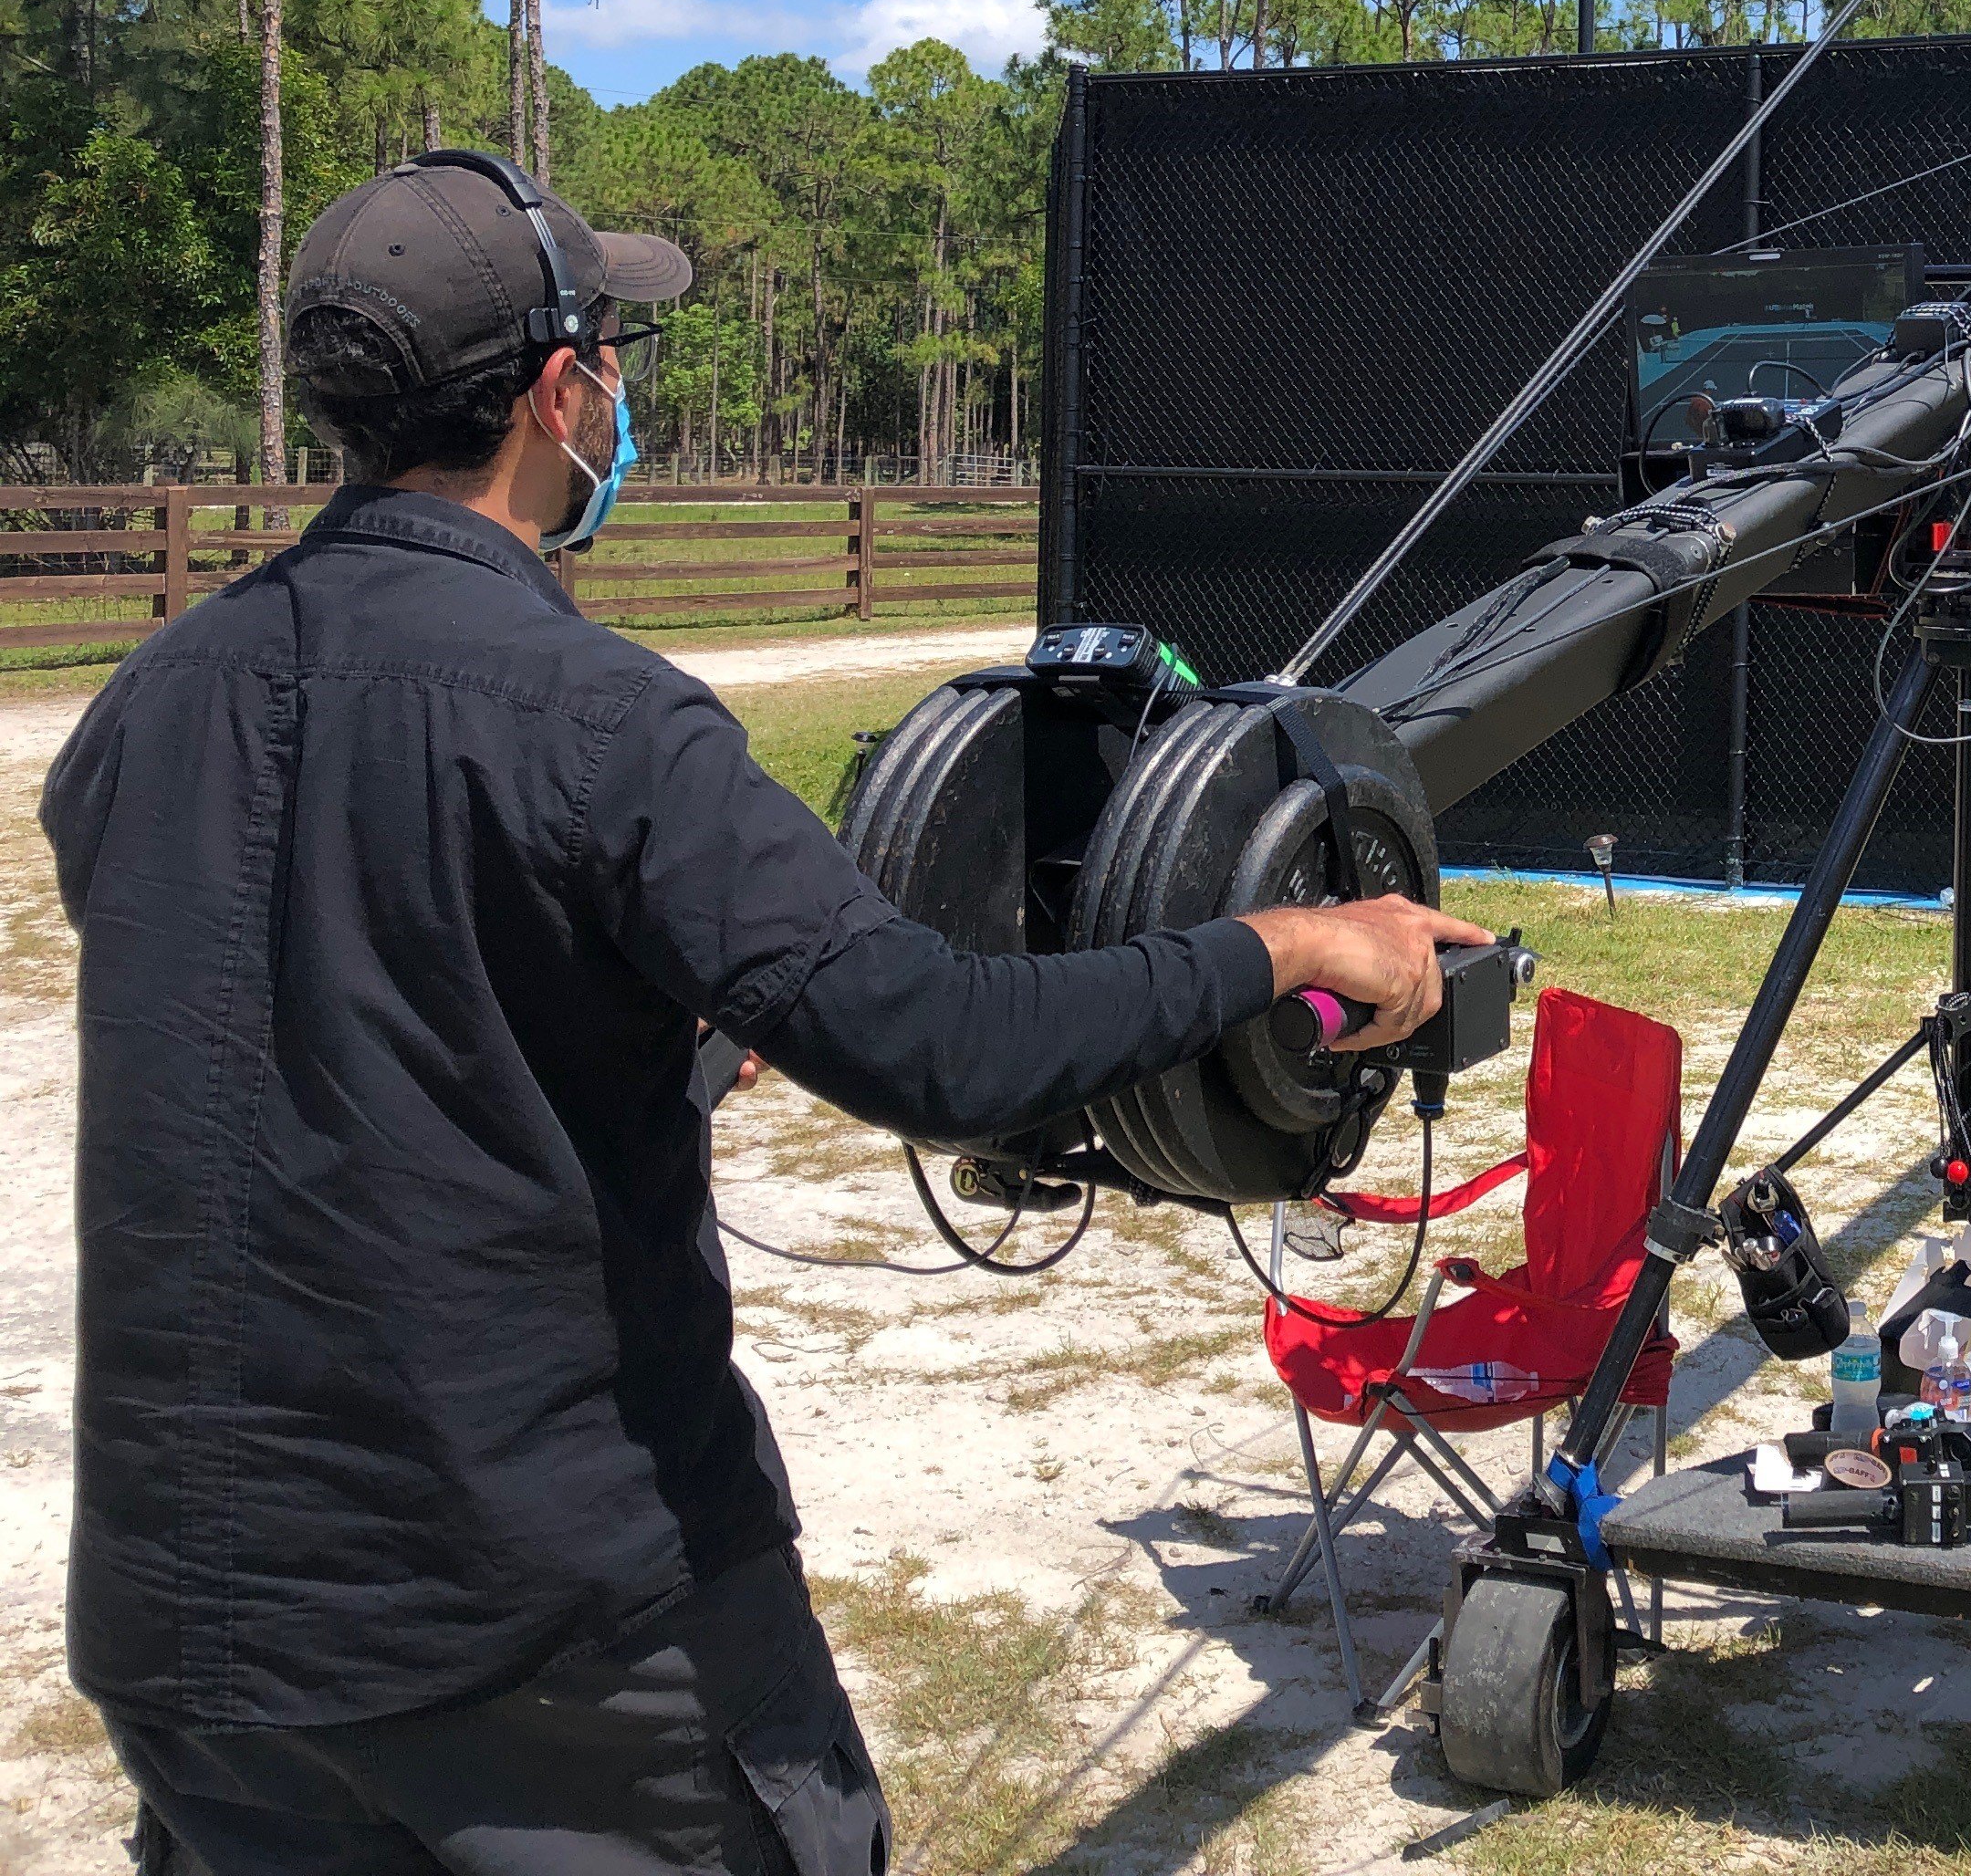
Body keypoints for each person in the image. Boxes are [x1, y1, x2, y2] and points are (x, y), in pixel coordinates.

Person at [39, 150, 1478, 1871]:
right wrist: (1292, 948)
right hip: (546, 1639)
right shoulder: (605, 722)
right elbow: (945, 1050)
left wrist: (663, 1029)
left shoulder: (141, 704)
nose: (623, 404)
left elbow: (334, 1004)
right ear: (562, 393)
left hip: (193, 1633)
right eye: (617, 364)